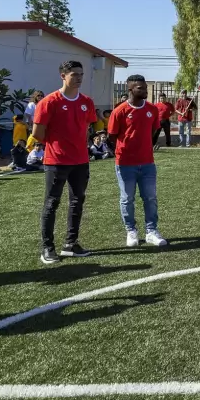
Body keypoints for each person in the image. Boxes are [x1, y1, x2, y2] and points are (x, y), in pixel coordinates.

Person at [33, 60, 97, 264]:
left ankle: (70, 244)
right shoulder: (49, 102)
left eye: (81, 74)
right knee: (52, 203)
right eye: (74, 74)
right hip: (56, 161)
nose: (78, 78)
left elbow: (85, 127)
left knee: (77, 201)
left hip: (80, 161)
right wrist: (57, 146)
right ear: (63, 76)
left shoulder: (87, 101)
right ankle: (47, 248)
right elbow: (37, 133)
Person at [107, 74, 167, 248]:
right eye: (140, 88)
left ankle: (151, 231)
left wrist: (146, 147)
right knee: (127, 199)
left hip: (148, 163)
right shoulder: (119, 111)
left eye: (145, 87)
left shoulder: (152, 109)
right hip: (125, 164)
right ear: (130, 89)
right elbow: (111, 137)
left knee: (150, 198)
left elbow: (154, 131)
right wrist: (121, 153)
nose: (145, 90)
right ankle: (131, 230)